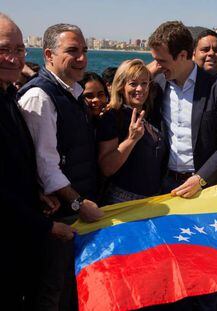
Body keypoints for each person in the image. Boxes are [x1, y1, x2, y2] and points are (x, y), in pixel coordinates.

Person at [17, 23, 103, 310]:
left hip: (74, 214)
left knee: (71, 287)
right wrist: (79, 203)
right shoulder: (39, 97)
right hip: (60, 217)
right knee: (52, 290)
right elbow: (45, 165)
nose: (82, 58)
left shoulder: (71, 94)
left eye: (84, 51)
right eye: (72, 51)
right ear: (49, 55)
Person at [0, 13, 75, 309]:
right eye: (4, 49)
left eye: (19, 50)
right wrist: (46, 227)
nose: (14, 58)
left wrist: (37, 193)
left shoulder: (8, 96)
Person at [148, 21, 217, 198]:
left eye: (162, 60)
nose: (157, 66)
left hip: (206, 186)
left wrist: (201, 179)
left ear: (183, 55)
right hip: (166, 184)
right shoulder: (158, 85)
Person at [97, 59, 167, 204]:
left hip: (153, 200)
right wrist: (131, 139)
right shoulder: (112, 117)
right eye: (133, 84)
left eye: (144, 83)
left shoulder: (149, 115)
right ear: (121, 86)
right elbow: (106, 167)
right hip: (123, 202)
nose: (140, 89)